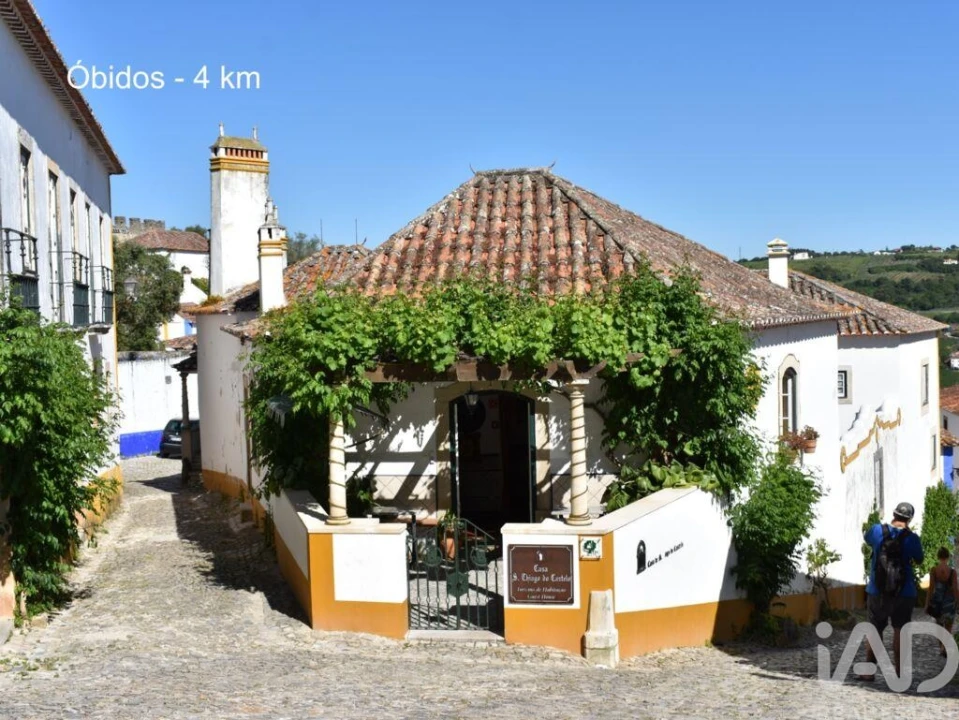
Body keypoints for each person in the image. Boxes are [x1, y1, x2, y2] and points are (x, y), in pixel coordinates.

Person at [859, 501, 924, 680]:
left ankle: (869, 672)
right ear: (909, 519)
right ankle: (899, 673)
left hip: (877, 589)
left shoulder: (876, 531)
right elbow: (919, 559)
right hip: (904, 591)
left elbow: (867, 539)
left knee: (874, 629)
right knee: (900, 631)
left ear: (894, 514)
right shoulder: (912, 538)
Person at [924, 546, 959, 656]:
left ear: (938, 556)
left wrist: (927, 604)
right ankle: (944, 648)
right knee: (948, 626)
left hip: (937, 602)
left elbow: (931, 588)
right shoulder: (952, 572)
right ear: (948, 557)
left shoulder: (934, 570)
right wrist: (957, 601)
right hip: (949, 602)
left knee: (939, 626)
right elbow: (955, 589)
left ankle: (941, 647)